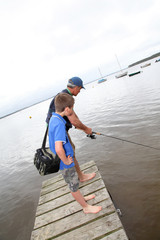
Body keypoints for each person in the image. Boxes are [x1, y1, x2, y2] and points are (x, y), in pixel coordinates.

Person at [49, 93, 102, 213]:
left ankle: (82, 199)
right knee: (73, 186)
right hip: (64, 162)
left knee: (75, 183)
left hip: (65, 160)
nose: (72, 110)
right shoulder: (59, 124)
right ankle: (85, 207)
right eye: (72, 108)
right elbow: (58, 148)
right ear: (67, 109)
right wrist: (66, 161)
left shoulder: (54, 118)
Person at [46, 77, 96, 182]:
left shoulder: (63, 95)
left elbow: (73, 116)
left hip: (53, 130)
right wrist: (86, 129)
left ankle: (76, 177)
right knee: (70, 152)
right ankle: (80, 178)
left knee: (69, 152)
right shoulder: (67, 97)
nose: (79, 91)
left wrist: (83, 128)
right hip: (59, 130)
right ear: (76, 87)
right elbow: (73, 121)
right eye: (80, 89)